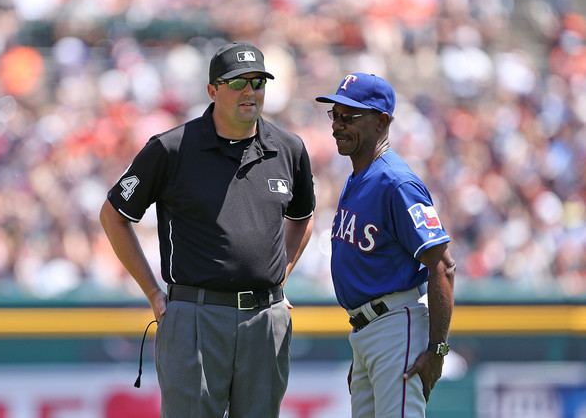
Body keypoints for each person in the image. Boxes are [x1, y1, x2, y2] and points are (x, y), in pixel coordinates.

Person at [100, 41, 315, 418]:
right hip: (196, 314)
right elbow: (114, 214)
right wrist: (153, 292)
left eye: (258, 82)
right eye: (237, 83)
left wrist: (283, 276)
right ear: (212, 90)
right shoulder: (172, 148)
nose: (250, 92)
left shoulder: (288, 148)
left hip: (265, 318)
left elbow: (303, 217)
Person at [315, 73, 456, 418]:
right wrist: (365, 350)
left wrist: (437, 350)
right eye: (335, 114)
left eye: (349, 117)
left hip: (395, 325)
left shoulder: (396, 182)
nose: (338, 125)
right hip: (367, 333)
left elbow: (443, 265)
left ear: (381, 122)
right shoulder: (358, 177)